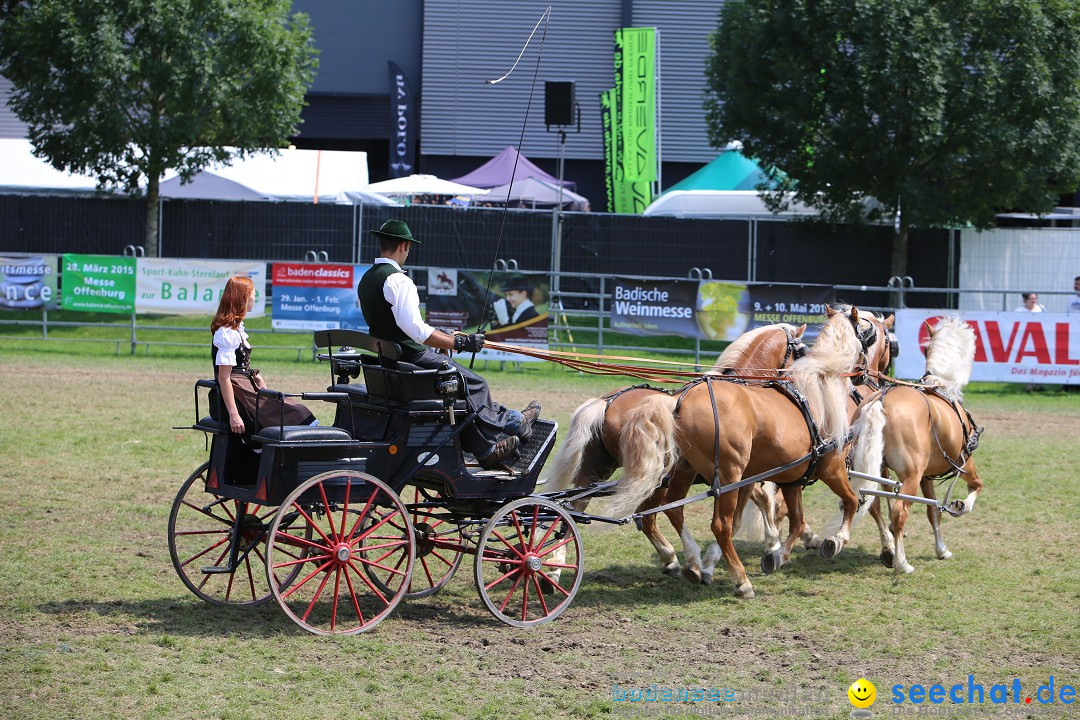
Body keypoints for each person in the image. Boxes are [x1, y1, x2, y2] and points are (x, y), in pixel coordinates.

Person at [357, 219, 541, 468]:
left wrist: (443, 336)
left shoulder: (367, 279)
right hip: (411, 359)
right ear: (404, 245)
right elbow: (416, 330)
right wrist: (459, 343)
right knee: (475, 384)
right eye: (409, 247)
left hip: (389, 359)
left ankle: (491, 441)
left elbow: (395, 324)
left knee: (462, 391)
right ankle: (513, 423)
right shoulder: (399, 281)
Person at [212, 275, 316, 434]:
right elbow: (224, 377)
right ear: (244, 299)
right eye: (253, 294)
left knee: (294, 407)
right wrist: (234, 415)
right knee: (296, 412)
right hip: (238, 391)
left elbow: (237, 366)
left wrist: (255, 377)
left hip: (244, 386)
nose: (255, 298)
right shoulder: (227, 332)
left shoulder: (236, 329)